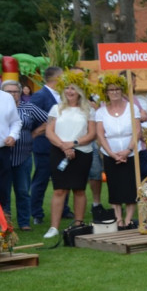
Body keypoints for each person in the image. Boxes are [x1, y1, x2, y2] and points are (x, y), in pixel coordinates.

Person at [43, 80, 96, 239]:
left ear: (80, 90)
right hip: (59, 151)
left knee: (79, 189)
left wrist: (73, 144)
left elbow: (91, 134)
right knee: (59, 189)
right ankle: (54, 227)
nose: (70, 91)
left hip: (82, 152)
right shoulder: (56, 108)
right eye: (67, 88)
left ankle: (78, 224)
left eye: (73, 88)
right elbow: (49, 132)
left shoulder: (88, 110)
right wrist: (64, 147)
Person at [95, 76, 141, 230]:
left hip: (131, 152)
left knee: (130, 186)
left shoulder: (132, 108)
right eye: (111, 90)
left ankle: (128, 219)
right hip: (110, 154)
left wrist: (128, 150)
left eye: (117, 89)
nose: (114, 92)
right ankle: (118, 219)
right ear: (106, 92)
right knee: (114, 186)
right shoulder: (101, 112)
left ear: (122, 91)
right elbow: (100, 134)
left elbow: (137, 130)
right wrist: (112, 153)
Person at [28, 66, 71, 224]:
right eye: (63, 77)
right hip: (44, 146)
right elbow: (31, 118)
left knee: (63, 178)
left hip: (62, 145)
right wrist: (41, 130)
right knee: (41, 179)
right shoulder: (40, 96)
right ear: (56, 79)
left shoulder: (63, 96)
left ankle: (64, 209)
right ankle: (37, 213)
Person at [3, 80, 48, 230]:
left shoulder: (27, 107)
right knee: (4, 191)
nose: (12, 94)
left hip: (23, 156)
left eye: (15, 91)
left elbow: (49, 119)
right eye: (9, 91)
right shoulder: (2, 106)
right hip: (3, 156)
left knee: (22, 191)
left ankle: (23, 222)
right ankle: (6, 224)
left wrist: (34, 133)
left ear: (20, 92)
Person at [0, 81, 23, 221]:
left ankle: (3, 224)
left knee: (2, 189)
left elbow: (16, 121)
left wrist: (13, 135)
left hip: (2, 151)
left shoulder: (6, 98)